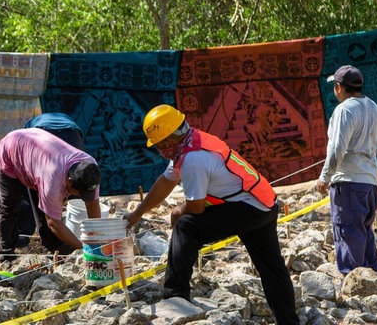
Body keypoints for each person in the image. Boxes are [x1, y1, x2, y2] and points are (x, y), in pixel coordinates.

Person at [124, 104, 297, 325]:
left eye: (158, 144)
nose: (158, 148)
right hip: (262, 202)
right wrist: (137, 214)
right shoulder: (191, 141)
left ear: (168, 140)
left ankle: (175, 296)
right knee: (272, 267)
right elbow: (165, 181)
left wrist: (177, 211)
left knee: (185, 225)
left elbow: (195, 208)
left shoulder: (193, 158)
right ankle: (289, 321)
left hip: (248, 207)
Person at [0, 128, 102, 261]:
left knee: (45, 209)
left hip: (36, 157)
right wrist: (83, 248)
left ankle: (56, 247)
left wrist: (97, 242)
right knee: (9, 206)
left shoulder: (90, 170)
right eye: (79, 193)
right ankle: (6, 254)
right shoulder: (53, 180)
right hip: (11, 151)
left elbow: (93, 205)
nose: (81, 196)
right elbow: (53, 223)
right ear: (69, 181)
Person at [316, 65, 377, 275]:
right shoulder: (375, 108)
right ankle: (373, 278)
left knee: (348, 233)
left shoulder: (344, 110)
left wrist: (324, 177)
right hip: (370, 182)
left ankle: (353, 282)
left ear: (338, 87)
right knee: (364, 232)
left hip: (348, 183)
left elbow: (337, 149)